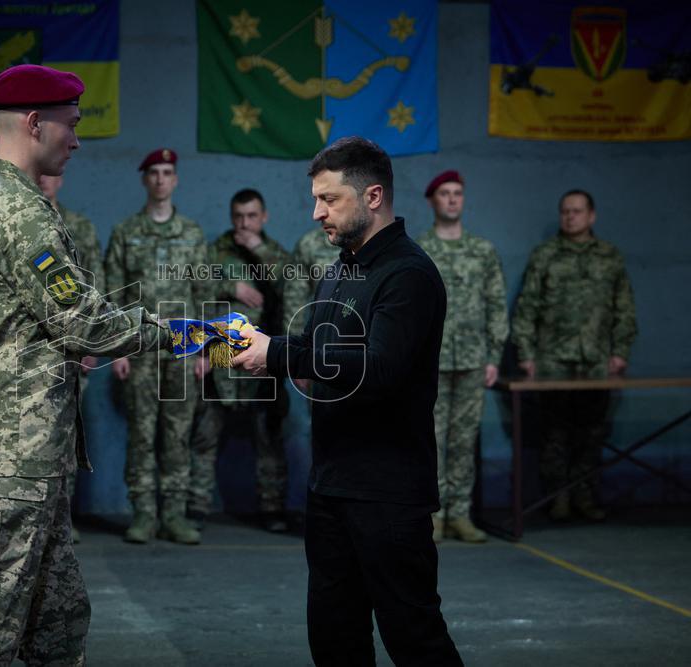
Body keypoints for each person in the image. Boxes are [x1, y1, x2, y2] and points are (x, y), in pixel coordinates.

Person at [0, 64, 171, 666]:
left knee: (58, 623)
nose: (77, 140)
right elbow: (85, 322)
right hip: (17, 455)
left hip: (32, 453)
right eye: (71, 125)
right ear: (35, 124)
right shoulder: (19, 214)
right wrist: (196, 338)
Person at [231, 137, 463, 666]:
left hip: (388, 492)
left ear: (374, 196)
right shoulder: (340, 268)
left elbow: (378, 367)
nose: (317, 213)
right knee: (334, 637)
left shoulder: (408, 274)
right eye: (316, 199)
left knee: (414, 637)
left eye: (329, 199)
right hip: (331, 485)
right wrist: (267, 354)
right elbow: (320, 354)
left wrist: (279, 353)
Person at [104, 148, 209, 545]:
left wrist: (204, 350)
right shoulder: (125, 233)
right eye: (154, 173)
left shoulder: (193, 234)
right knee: (142, 434)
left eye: (167, 172)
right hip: (141, 348)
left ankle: (175, 515)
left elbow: (204, 293)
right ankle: (144, 514)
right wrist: (118, 349)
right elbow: (114, 295)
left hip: (183, 349)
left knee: (178, 434)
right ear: (145, 180)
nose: (161, 179)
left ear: (175, 179)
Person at [511, 189, 637, 521]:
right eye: (565, 211)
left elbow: (624, 309)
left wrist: (620, 352)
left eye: (577, 211)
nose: (570, 217)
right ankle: (558, 498)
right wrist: (526, 354)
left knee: (592, 432)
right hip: (552, 361)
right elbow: (527, 308)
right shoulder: (546, 255)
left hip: (596, 360)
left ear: (591, 216)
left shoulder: (610, 257)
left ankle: (585, 495)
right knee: (554, 433)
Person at [188, 188, 291, 532]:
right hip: (221, 358)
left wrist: (256, 249)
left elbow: (292, 287)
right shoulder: (216, 251)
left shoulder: (274, 252)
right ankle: (197, 507)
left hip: (264, 360)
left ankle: (272, 508)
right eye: (238, 217)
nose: (244, 223)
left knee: (269, 438)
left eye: (251, 216)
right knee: (204, 435)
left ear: (264, 217)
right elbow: (196, 288)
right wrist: (231, 285)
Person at [416, 170, 508, 543]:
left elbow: (496, 303)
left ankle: (460, 514)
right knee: (430, 439)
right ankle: (433, 515)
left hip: (472, 359)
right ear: (432, 201)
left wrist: (494, 354)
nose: (452, 199)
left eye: (457, 193)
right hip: (431, 361)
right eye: (444, 193)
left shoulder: (482, 250)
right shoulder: (419, 249)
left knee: (464, 439)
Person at [38, 173, 102, 544]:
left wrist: (92, 344)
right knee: (31, 440)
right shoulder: (25, 223)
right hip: (30, 351)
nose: (46, 180)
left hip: (72, 350)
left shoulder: (78, 227)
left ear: (62, 180)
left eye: (53, 174)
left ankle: (62, 518)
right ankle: (35, 519)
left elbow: (97, 286)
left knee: (67, 438)